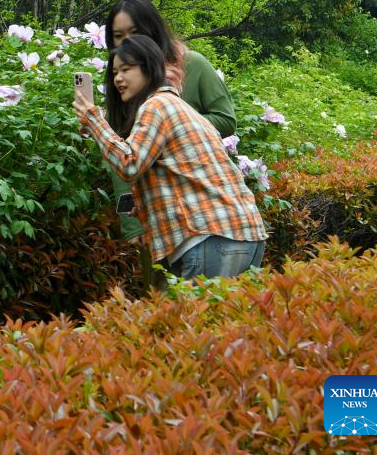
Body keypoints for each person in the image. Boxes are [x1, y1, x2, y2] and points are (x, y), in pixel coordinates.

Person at [73, 35, 267, 280]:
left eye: (126, 69)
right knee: (226, 319)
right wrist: (145, 206)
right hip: (243, 234)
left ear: (150, 68)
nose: (118, 78)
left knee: (196, 319)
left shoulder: (157, 106)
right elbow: (185, 176)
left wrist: (93, 120)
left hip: (210, 237)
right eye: (114, 73)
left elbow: (129, 164)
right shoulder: (181, 107)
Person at [104, 0, 236, 286]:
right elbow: (121, 153)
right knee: (165, 302)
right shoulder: (122, 83)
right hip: (153, 211)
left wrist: (174, 130)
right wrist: (129, 219)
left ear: (152, 28)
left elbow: (226, 119)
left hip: (201, 209)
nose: (126, 42)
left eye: (134, 32)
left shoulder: (192, 65)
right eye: (118, 36)